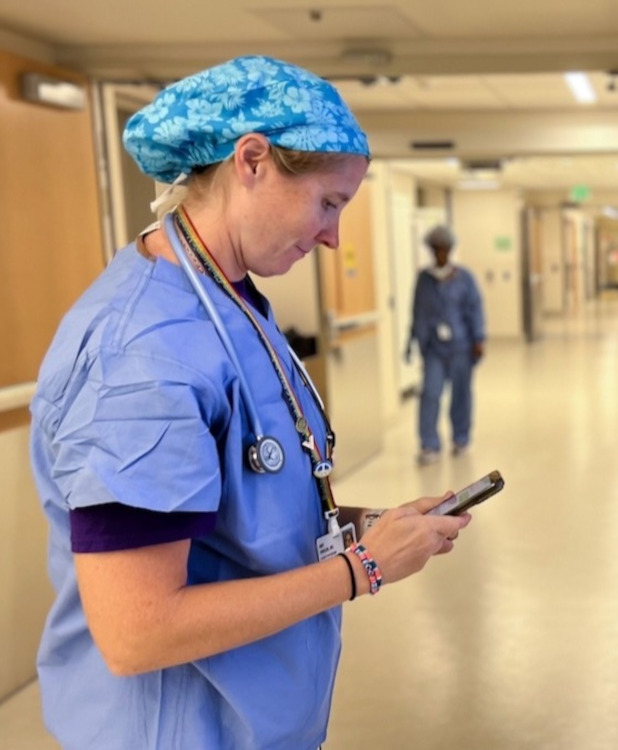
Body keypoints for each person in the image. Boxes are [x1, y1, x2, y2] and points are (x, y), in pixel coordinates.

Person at [28, 55, 471, 750]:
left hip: (247, 721)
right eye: (329, 203)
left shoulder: (231, 306)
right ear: (253, 161)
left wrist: (367, 525)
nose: (331, 236)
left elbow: (239, 508)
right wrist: (365, 569)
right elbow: (137, 631)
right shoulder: (143, 358)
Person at [407, 225, 486, 465]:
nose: (440, 253)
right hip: (434, 349)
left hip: (461, 346)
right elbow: (417, 312)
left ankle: (461, 437)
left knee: (461, 394)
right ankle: (429, 443)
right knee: (430, 394)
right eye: (436, 249)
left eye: (444, 249)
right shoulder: (424, 279)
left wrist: (479, 338)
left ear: (450, 250)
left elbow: (475, 309)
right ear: (431, 251)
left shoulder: (465, 278)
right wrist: (414, 342)